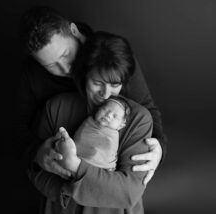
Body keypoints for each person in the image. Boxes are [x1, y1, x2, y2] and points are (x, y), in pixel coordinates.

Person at [17, 5, 166, 186]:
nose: (65, 69)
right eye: (50, 65)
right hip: (59, 174)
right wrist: (37, 153)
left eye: (66, 54)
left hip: (110, 171)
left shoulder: (111, 56)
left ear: (74, 31)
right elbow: (20, 129)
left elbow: (146, 106)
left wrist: (158, 146)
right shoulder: (31, 76)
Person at [29, 31, 153, 214]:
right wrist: (72, 188)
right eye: (97, 82)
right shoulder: (56, 107)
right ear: (84, 75)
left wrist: (74, 167)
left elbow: (128, 192)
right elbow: (37, 172)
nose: (106, 94)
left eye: (115, 84)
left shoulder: (138, 119)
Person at [55, 97, 131, 171]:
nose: (108, 115)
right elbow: (79, 139)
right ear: (98, 109)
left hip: (103, 168)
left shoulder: (113, 135)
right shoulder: (88, 122)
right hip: (76, 158)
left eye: (115, 116)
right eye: (105, 109)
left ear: (121, 125)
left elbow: (108, 152)